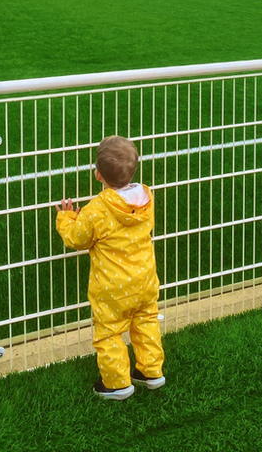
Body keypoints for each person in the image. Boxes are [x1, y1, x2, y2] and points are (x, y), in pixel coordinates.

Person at [55, 136, 165, 400]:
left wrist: (66, 217)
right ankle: (151, 372)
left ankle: (117, 384)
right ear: (135, 170)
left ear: (97, 174)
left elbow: (76, 239)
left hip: (112, 289)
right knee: (146, 322)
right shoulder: (146, 200)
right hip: (146, 280)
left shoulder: (97, 209)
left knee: (110, 332)